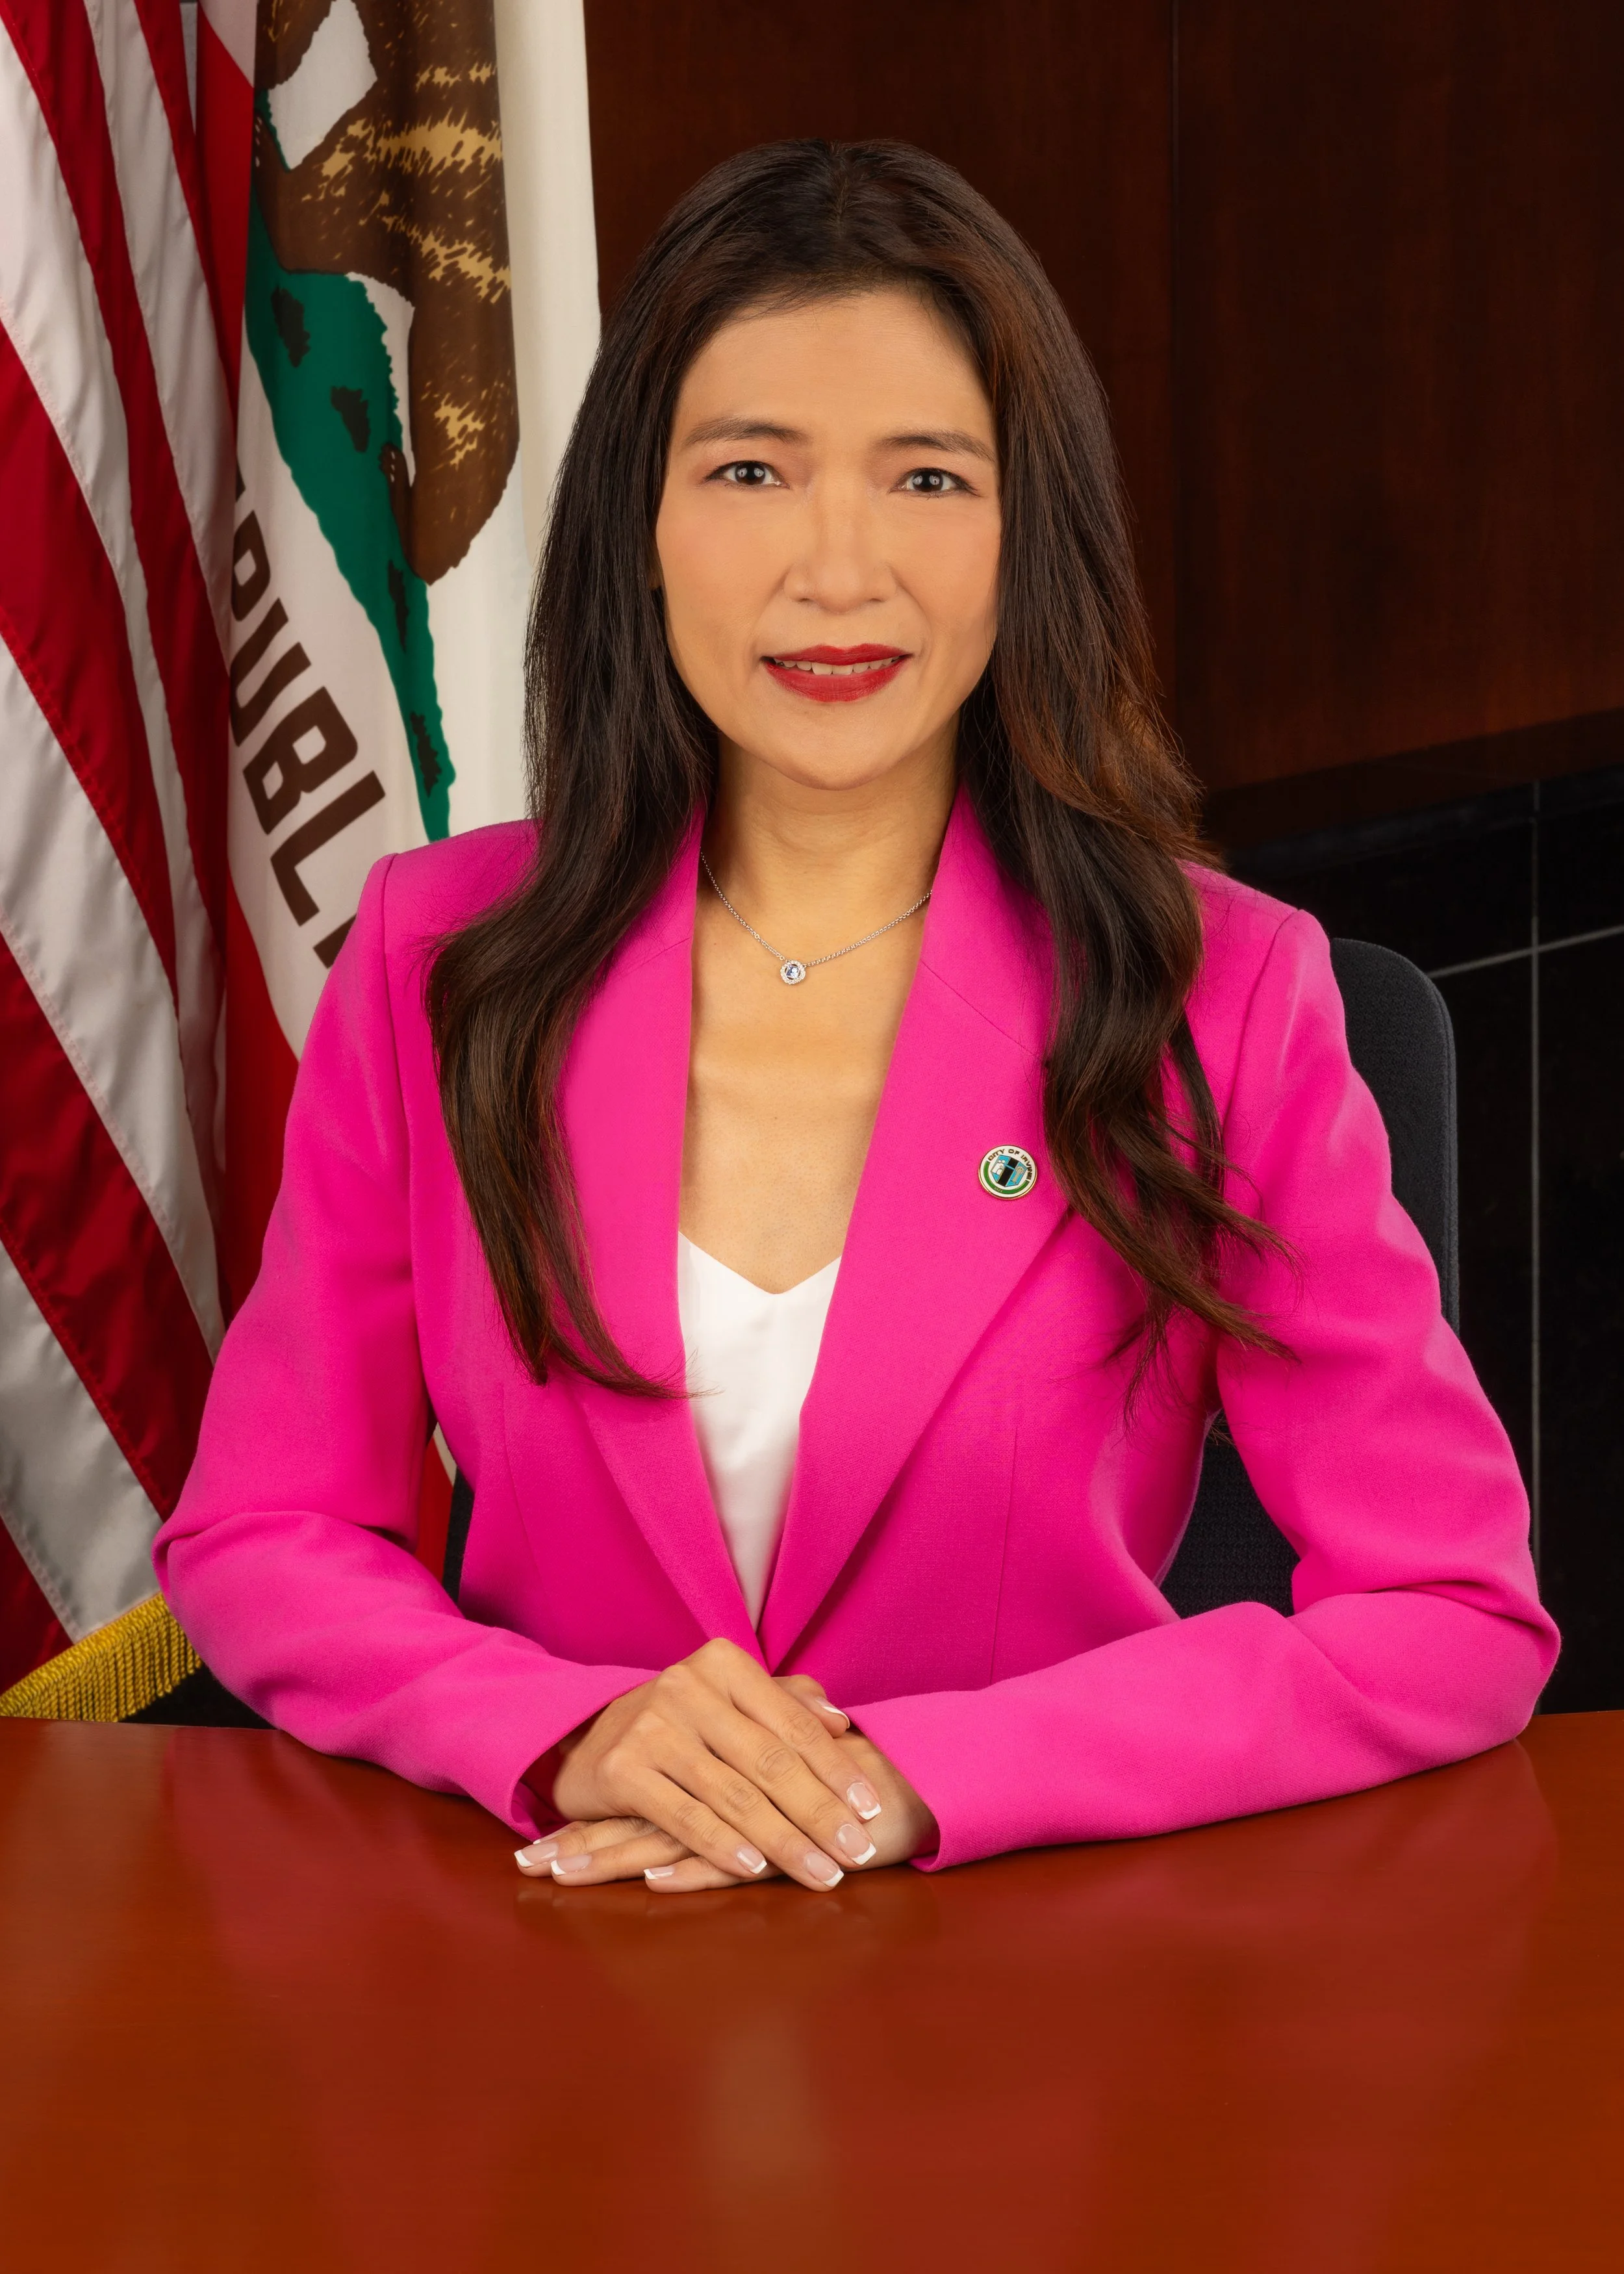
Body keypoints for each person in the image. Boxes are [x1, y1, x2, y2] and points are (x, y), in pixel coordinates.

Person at [157, 141, 1556, 1894]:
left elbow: (1445, 1611)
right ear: (637, 527)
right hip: (552, 1978)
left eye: (925, 478)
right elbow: (268, 1527)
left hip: (1040, 1990)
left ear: (1018, 534)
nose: (839, 568)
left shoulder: (1222, 994)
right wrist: (550, 1724)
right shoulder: (440, 961)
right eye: (751, 468)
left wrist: (922, 1775)